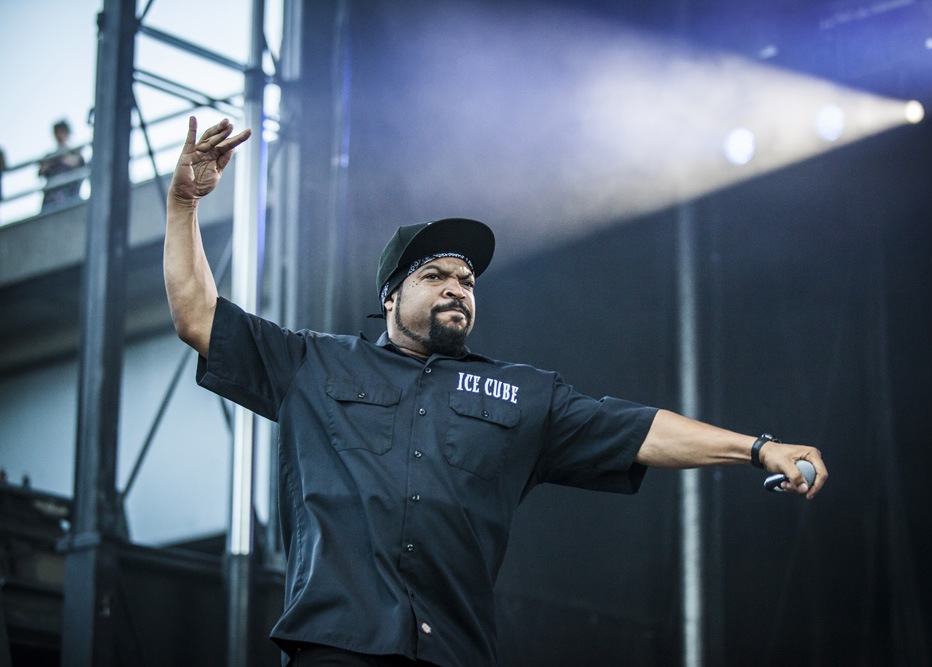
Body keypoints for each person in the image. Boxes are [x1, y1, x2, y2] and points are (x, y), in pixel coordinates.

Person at [164, 117, 828, 667]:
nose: (458, 288)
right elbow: (199, 318)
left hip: (454, 652)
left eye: (468, 281)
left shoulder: (521, 394)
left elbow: (638, 430)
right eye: (436, 275)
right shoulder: (312, 362)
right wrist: (185, 205)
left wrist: (758, 448)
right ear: (391, 296)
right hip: (337, 646)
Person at [38, 120, 85, 211]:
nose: (59, 135)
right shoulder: (49, 156)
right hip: (51, 197)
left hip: (69, 193)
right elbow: (41, 171)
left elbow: (77, 164)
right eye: (57, 132)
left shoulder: (74, 151)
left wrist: (58, 159)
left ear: (67, 133)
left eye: (62, 131)